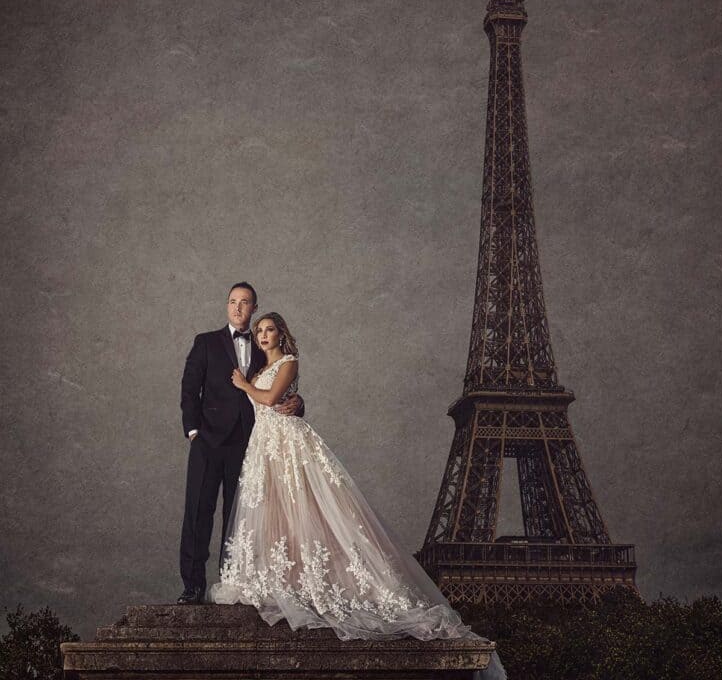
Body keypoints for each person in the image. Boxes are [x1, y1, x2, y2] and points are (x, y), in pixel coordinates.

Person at [209, 312, 506, 680]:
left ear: (281, 335)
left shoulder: (287, 362)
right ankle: (285, 577)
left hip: (287, 442)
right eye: (260, 331)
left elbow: (270, 399)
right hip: (263, 448)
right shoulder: (253, 368)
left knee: (311, 509)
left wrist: (246, 386)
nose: (264, 335)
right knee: (274, 513)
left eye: (270, 329)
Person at [177, 284, 305, 604]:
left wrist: (299, 402)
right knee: (198, 513)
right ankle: (192, 587)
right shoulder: (206, 342)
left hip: (247, 446)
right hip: (208, 442)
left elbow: (279, 385)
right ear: (226, 306)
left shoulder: (264, 346)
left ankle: (231, 584)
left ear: (254, 308)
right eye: (232, 302)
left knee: (240, 518)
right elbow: (190, 388)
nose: (237, 308)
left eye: (244, 303)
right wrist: (194, 432)